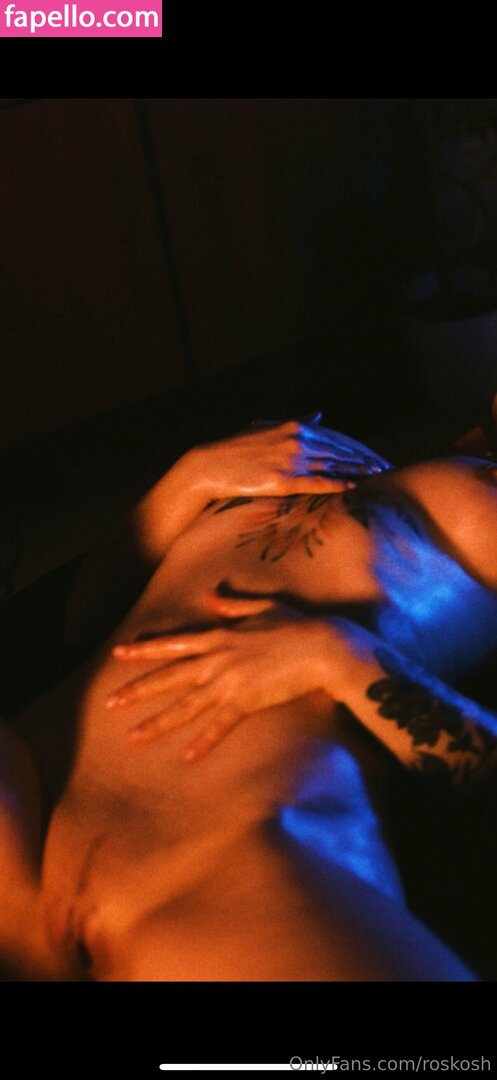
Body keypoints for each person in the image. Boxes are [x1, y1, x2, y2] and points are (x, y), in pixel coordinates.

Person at [2, 417, 497, 982]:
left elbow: (486, 765)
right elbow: (82, 618)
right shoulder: (305, 444)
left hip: (234, 859)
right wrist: (190, 477)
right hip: (24, 811)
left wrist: (335, 656)